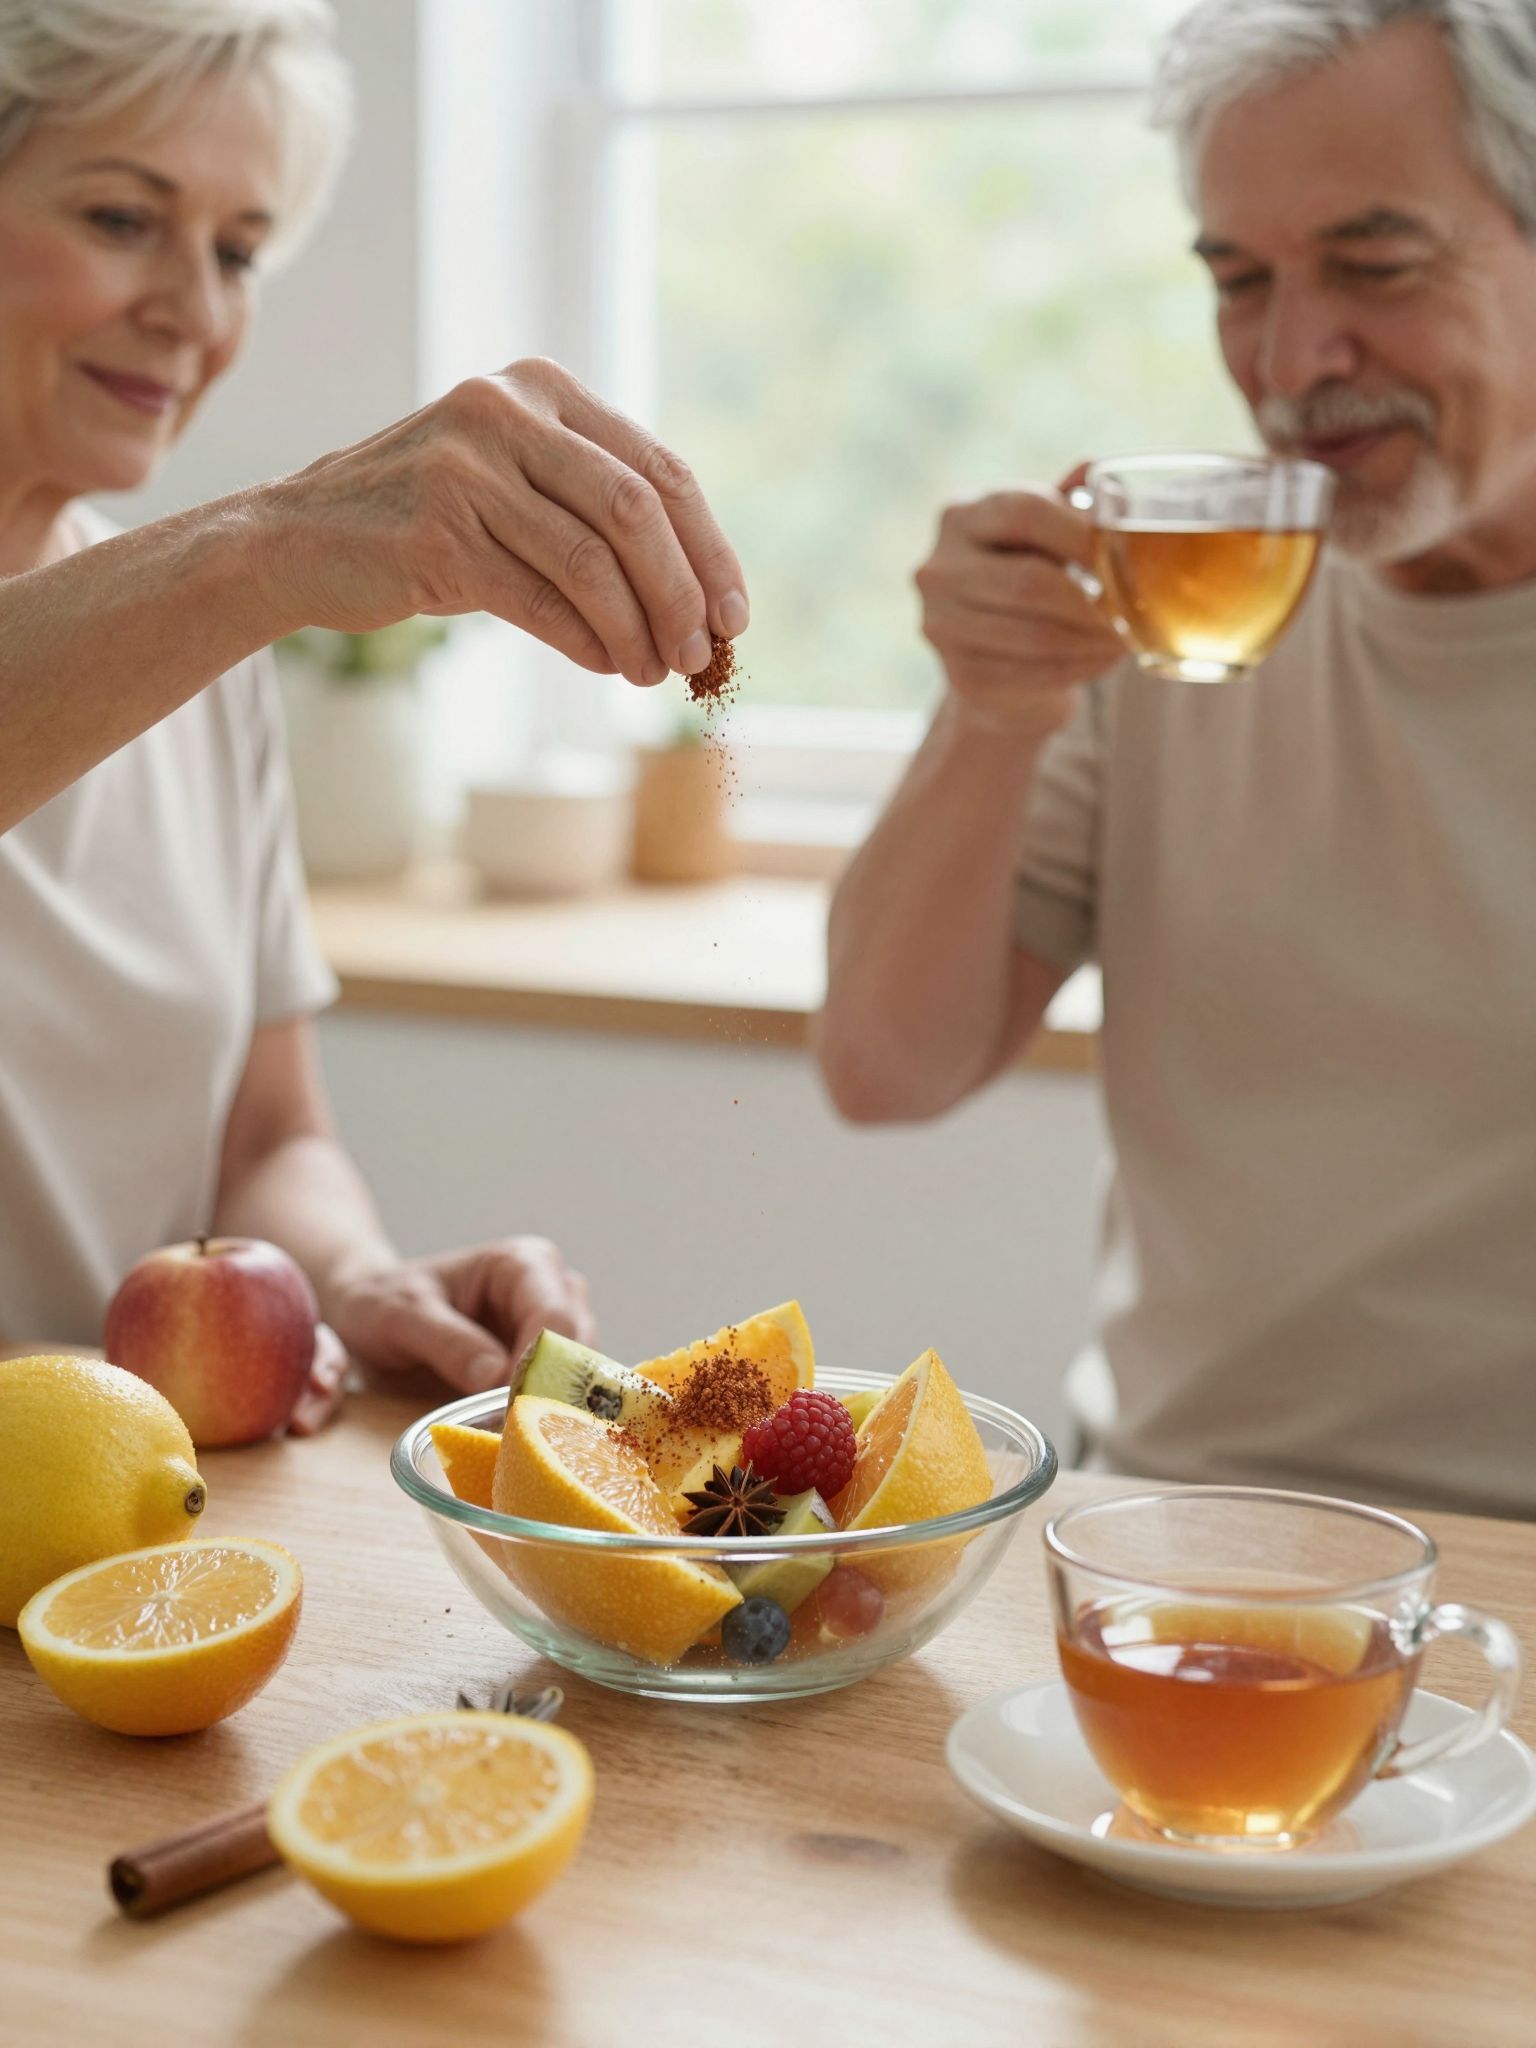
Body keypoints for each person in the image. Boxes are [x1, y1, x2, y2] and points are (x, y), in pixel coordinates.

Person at [817, 0, 1536, 1519]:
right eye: (1238, 278)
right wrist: (990, 715)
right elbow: (884, 1066)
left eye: (1374, 264)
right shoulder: (1172, 606)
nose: (1289, 359)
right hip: (1183, 1537)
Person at [0, 0, 749, 1429]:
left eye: (237, 250)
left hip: (123, 1528)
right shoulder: (212, 597)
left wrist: (352, 1274)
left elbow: (266, 1138)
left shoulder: (201, 660)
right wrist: (263, 551)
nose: (200, 310)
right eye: (118, 218)